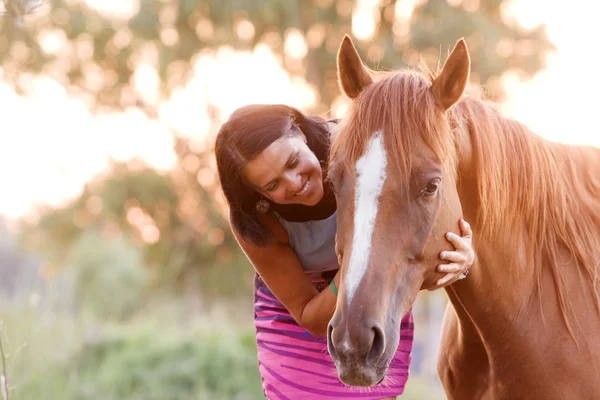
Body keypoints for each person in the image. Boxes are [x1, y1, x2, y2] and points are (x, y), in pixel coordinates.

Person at [214, 104, 474, 399]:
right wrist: (359, 264)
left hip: (373, 300)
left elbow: (416, 232)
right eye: (273, 184)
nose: (295, 183)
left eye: (293, 161)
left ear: (300, 131)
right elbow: (308, 316)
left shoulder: (361, 147)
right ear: (256, 194)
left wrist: (462, 258)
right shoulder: (254, 221)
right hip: (298, 326)